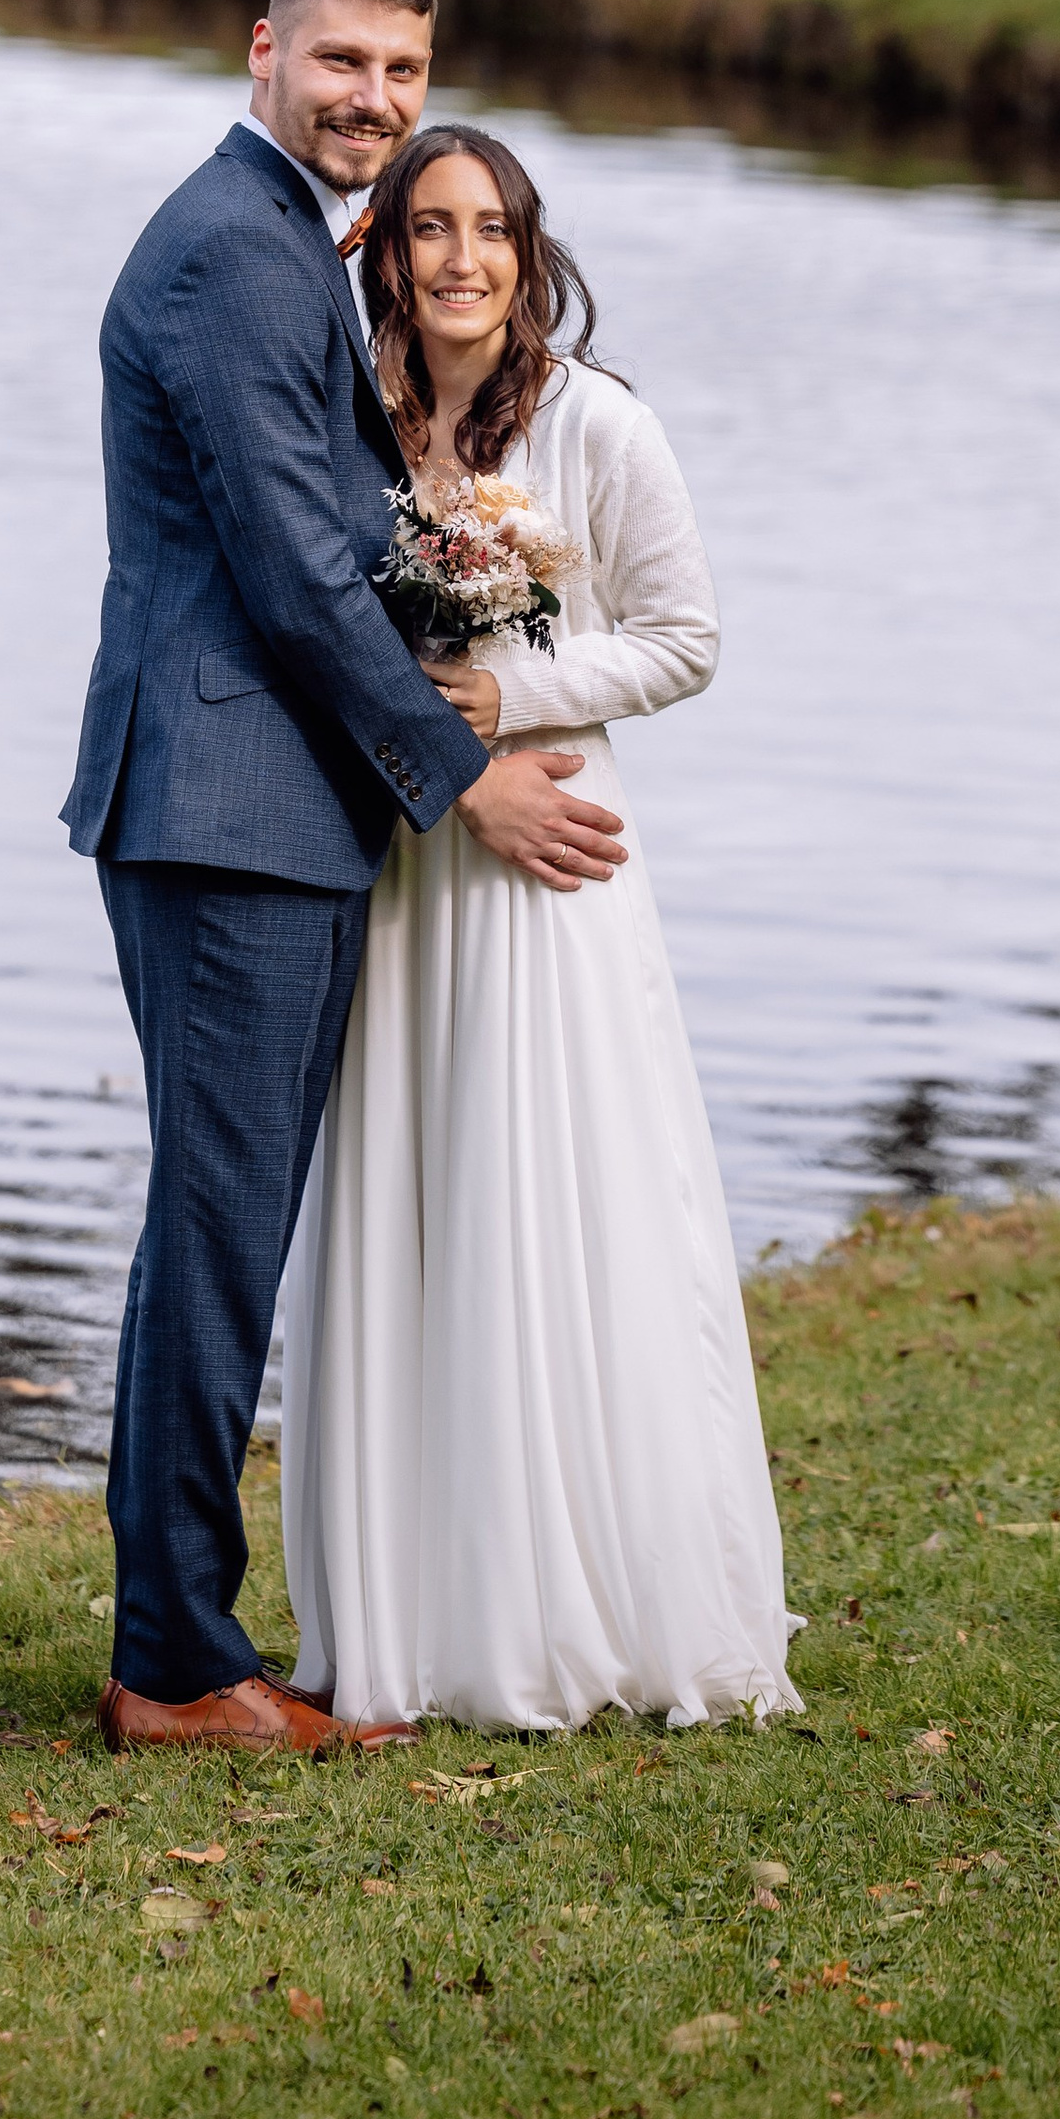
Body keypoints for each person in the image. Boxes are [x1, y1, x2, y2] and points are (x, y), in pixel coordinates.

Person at [63, 0, 630, 1756]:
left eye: (401, 69)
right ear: (263, 53)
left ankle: (180, 1634)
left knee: (215, 1226)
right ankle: (175, 1666)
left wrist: (509, 622)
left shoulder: (293, 248)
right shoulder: (233, 255)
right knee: (220, 1230)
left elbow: (351, 533)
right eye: (341, 66)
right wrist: (465, 777)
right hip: (228, 809)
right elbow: (296, 579)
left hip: (265, 809)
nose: (373, 100)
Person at [279, 123, 800, 1732]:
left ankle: (576, 1600)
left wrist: (515, 693)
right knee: (410, 1200)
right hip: (404, 865)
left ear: (528, 250)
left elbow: (684, 637)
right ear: (385, 251)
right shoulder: (344, 418)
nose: (459, 260)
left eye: (488, 230)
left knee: (556, 1195)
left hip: (551, 863)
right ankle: (408, 1614)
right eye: (427, 230)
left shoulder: (597, 422)